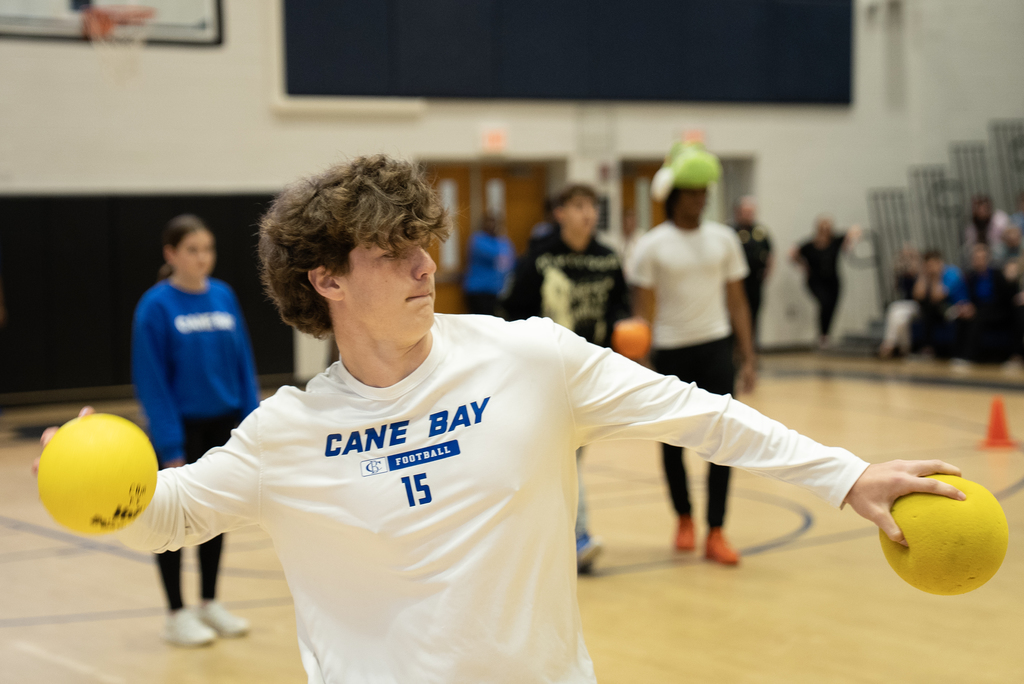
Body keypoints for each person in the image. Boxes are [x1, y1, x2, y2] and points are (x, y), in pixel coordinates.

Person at [44, 155, 965, 684]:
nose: (424, 266)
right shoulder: (285, 432)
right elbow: (168, 516)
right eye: (392, 251)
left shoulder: (530, 357)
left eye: (425, 244)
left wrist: (846, 474)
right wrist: (86, 476)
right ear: (326, 279)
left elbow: (701, 414)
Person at [131, 214, 260, 647]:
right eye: (192, 250)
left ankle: (209, 602)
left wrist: (252, 423)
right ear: (171, 254)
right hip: (180, 430)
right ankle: (176, 613)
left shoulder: (223, 295)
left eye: (208, 249)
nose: (202, 258)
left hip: (223, 424)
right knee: (170, 521)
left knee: (214, 518)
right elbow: (152, 381)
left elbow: (243, 363)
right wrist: (170, 445)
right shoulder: (155, 307)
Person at [629, 141, 757, 565]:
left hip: (716, 347)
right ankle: (684, 517)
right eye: (692, 193)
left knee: (723, 440)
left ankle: (716, 530)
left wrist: (749, 355)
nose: (700, 200)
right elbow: (642, 311)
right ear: (674, 197)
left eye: (704, 192)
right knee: (672, 442)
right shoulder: (651, 245)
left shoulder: (724, 239)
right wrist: (642, 362)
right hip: (670, 352)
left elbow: (738, 301)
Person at [502, 183, 632, 572]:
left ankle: (558, 537)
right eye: (578, 206)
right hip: (546, 374)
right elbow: (512, 312)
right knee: (560, 455)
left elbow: (620, 306)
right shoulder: (538, 259)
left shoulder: (607, 258)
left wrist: (626, 329)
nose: (587, 213)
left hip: (591, 374)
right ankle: (577, 536)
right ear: (560, 213)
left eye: (591, 206)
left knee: (565, 455)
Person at [790, 215, 862, 348]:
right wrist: (803, 266)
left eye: (828, 228)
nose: (825, 231)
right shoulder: (810, 245)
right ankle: (822, 335)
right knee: (824, 303)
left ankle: (825, 335)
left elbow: (855, 231)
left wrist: (851, 241)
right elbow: (792, 253)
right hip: (815, 281)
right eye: (823, 228)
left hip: (833, 281)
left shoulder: (835, 241)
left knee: (831, 307)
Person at [951, 243, 1018, 368]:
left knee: (978, 316)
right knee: (962, 316)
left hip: (998, 311)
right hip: (978, 308)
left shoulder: (997, 274)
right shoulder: (971, 276)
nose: (978, 261)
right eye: (976, 258)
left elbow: (1008, 296)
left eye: (981, 258)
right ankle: (957, 354)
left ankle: (969, 356)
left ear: (987, 259)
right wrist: (966, 306)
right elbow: (965, 295)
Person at [731, 196, 773, 346]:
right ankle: (736, 346)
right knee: (736, 312)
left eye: (751, 212)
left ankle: (750, 345)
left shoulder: (760, 231)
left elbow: (770, 253)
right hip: (738, 282)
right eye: (746, 212)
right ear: (738, 212)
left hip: (756, 280)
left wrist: (768, 272)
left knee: (754, 312)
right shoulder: (731, 231)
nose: (749, 215)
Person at [911, 249, 968, 358]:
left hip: (958, 306)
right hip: (942, 308)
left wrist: (936, 277)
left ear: (939, 263)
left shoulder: (952, 273)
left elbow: (936, 297)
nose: (930, 268)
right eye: (928, 266)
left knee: (930, 306)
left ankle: (928, 348)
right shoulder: (927, 274)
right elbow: (918, 296)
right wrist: (923, 275)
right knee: (926, 306)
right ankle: (926, 348)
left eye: (932, 265)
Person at [461, 213, 515, 316]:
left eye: (494, 223)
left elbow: (510, 260)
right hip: (478, 289)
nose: (492, 226)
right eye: (489, 223)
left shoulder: (502, 240)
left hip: (496, 290)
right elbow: (497, 256)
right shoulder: (478, 240)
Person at [878, 245, 921, 359]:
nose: (907, 260)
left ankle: (888, 345)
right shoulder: (903, 274)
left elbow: (918, 295)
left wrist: (914, 267)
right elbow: (897, 288)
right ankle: (904, 348)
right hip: (906, 305)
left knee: (896, 309)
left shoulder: (921, 273)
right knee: (900, 318)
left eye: (910, 257)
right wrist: (899, 269)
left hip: (918, 305)